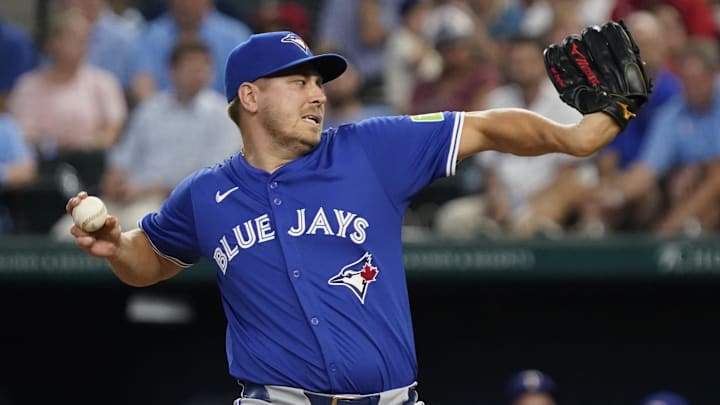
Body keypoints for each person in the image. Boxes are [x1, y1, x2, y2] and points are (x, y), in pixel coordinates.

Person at [63, 27, 648, 404]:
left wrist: (577, 138)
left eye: (319, 82)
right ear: (249, 97)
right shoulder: (205, 194)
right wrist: (119, 248)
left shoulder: (369, 150)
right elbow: (153, 262)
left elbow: (487, 125)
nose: (318, 94)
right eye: (299, 82)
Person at [51, 38, 241, 239]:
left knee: (134, 227)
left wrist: (145, 189)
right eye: (191, 67)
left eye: (204, 67)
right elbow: (121, 160)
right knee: (64, 232)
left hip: (175, 203)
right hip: (127, 196)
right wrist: (114, 180)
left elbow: (209, 178)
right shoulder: (150, 109)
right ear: (172, 71)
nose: (198, 74)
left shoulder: (223, 114)